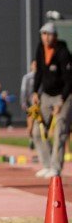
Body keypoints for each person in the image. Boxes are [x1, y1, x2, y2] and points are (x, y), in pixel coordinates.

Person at [30, 21, 72, 179]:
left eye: (49, 34)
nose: (46, 38)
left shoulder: (63, 52)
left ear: (55, 36)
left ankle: (56, 168)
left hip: (64, 95)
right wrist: (35, 92)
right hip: (46, 95)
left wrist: (61, 101)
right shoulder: (40, 49)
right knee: (37, 131)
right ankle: (47, 164)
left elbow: (69, 80)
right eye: (44, 34)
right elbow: (39, 72)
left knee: (60, 130)